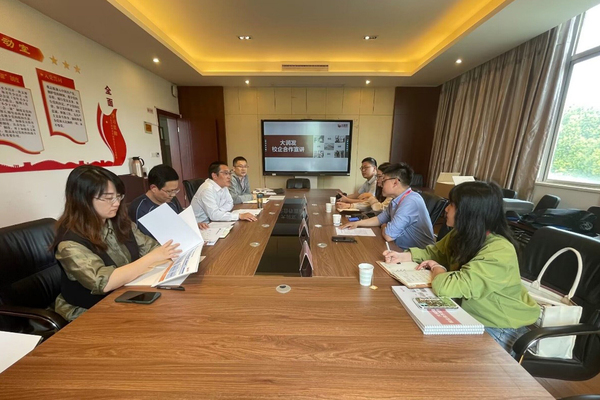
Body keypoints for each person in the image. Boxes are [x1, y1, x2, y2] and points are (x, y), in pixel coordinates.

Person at [382, 181, 540, 354]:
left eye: (452, 205)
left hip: (499, 325)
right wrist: (403, 256)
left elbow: (447, 287)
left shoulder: (500, 250)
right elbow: (436, 252)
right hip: (466, 313)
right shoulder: (463, 234)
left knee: (436, 353)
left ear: (469, 212)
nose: (446, 209)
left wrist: (438, 268)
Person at [52, 165, 181, 321]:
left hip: (126, 293)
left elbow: (151, 247)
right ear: (82, 199)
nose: (116, 203)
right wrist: (153, 258)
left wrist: (162, 256)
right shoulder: (70, 243)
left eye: (118, 196)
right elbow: (103, 282)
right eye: (108, 198)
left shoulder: (118, 223)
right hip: (90, 310)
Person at [341, 162, 435, 249]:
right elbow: (379, 219)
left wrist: (384, 225)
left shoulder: (410, 201)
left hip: (418, 256)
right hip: (399, 248)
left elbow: (388, 235)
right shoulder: (396, 199)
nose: (381, 184)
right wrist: (357, 223)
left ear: (395, 182)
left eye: (384, 180)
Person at [128, 164, 208, 238]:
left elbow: (181, 221)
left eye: (175, 190)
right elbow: (143, 241)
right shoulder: (140, 208)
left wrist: (194, 225)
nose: (173, 195)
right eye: (169, 191)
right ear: (153, 188)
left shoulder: (171, 200)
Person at [191, 161, 258, 223]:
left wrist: (219, 212)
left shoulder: (223, 186)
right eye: (226, 173)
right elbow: (214, 215)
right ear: (214, 176)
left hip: (214, 221)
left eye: (229, 173)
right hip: (201, 225)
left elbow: (230, 203)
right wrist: (239, 216)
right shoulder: (207, 189)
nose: (229, 177)